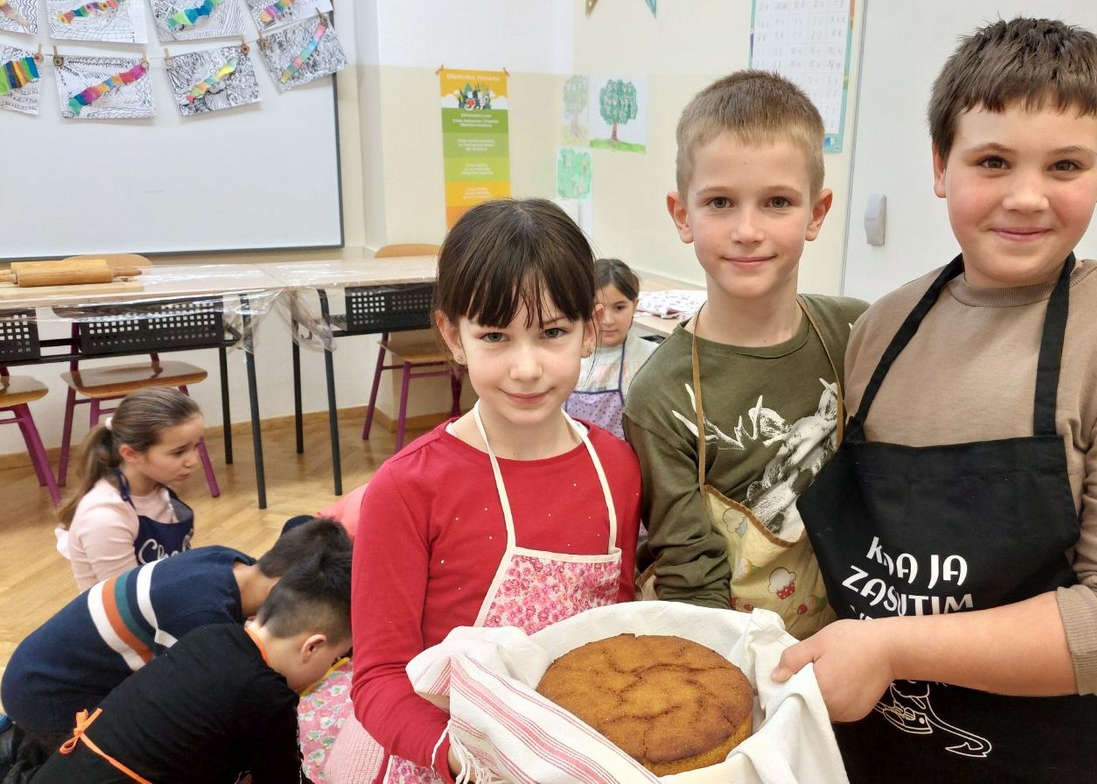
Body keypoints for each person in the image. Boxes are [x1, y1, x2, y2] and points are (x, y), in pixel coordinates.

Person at [774, 18, 1097, 782]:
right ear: (940, 165)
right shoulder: (881, 328)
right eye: (992, 160)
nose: (1027, 197)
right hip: (873, 748)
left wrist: (890, 645)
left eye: (1064, 165)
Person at [347, 198, 642, 781]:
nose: (527, 367)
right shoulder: (408, 488)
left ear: (589, 328)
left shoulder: (617, 468)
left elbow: (617, 619)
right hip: (458, 759)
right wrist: (472, 757)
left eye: (552, 332)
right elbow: (378, 679)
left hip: (579, 753)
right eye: (495, 337)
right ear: (451, 336)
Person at [623, 70, 867, 641]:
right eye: (720, 203)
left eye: (777, 202)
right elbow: (691, 574)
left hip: (845, 644)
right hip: (723, 650)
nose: (748, 230)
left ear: (817, 212)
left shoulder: (857, 331)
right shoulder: (660, 396)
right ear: (683, 215)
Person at [0, 518, 351, 774]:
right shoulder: (204, 623)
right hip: (46, 695)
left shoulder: (223, 574)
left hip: (50, 682)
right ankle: (21, 753)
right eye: (335, 657)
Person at [56, 387, 206, 590]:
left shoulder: (157, 489)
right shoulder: (104, 517)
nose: (193, 461)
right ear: (130, 454)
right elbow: (129, 605)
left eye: (197, 446)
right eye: (178, 452)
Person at [565, 258, 659, 439]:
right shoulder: (567, 357)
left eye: (619, 307)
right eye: (596, 308)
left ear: (635, 306)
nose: (607, 320)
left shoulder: (652, 357)